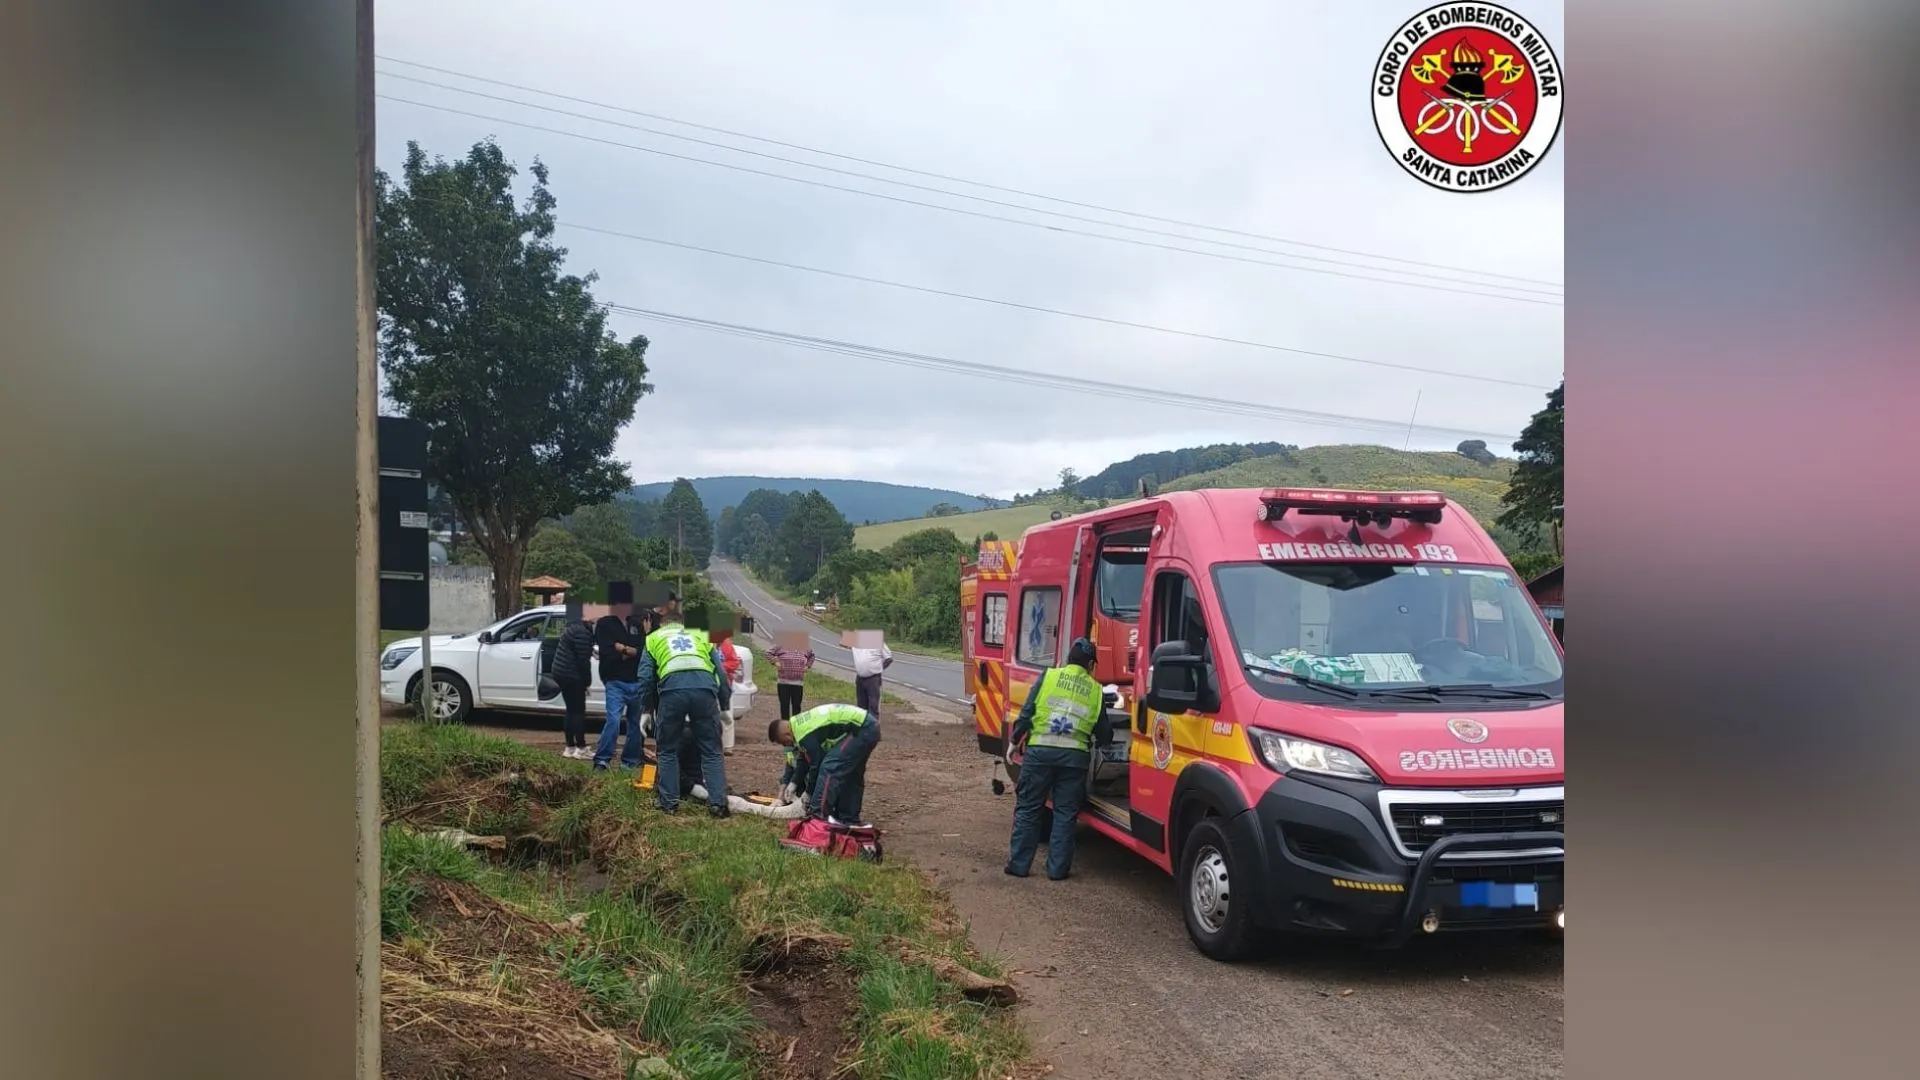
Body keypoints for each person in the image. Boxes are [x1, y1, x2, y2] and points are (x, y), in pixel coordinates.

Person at [1005, 637, 1111, 881]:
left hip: (1040, 753)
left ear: (1068, 659)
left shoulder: (1048, 676)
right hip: (1074, 759)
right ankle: (1057, 870)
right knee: (1065, 814)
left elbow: (1028, 711)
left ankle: (1019, 866)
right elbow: (1104, 734)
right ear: (1090, 665)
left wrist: (1014, 742)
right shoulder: (1096, 691)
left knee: (1029, 808)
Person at [636, 590, 732, 817]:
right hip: (704, 691)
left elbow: (646, 677)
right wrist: (725, 705)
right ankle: (718, 804)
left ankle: (669, 803)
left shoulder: (653, 638)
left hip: (673, 692)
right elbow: (720, 672)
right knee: (711, 750)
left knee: (667, 749)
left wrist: (646, 709)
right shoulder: (700, 637)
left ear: (663, 625)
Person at [769, 703, 880, 827]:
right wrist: (793, 783)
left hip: (861, 728)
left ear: (786, 735)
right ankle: (848, 819)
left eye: (784, 743)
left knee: (829, 767)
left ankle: (818, 817)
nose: (787, 746)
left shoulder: (802, 733)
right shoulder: (799, 723)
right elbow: (805, 759)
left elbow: (816, 763)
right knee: (851, 776)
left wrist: (809, 793)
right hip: (868, 725)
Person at [591, 583, 647, 771]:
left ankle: (629, 761)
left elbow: (641, 651)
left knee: (634, 724)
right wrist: (626, 650)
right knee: (613, 720)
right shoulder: (605, 624)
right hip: (615, 680)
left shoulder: (637, 624)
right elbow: (607, 652)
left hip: (636, 680)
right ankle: (602, 759)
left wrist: (621, 647)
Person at [549, 602, 596, 759]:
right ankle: (581, 748)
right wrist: (586, 683)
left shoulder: (573, 628)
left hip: (561, 672)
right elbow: (583, 661)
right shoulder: (581, 632)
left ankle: (569, 747)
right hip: (571, 674)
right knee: (578, 711)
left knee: (570, 710)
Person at [712, 626, 743, 756]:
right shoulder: (704, 643)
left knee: (727, 716)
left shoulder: (727, 644)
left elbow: (734, 663)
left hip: (725, 684)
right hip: (708, 685)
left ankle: (728, 747)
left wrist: (719, 666)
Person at [849, 634, 893, 717]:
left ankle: (874, 727)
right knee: (861, 707)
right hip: (860, 678)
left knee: (874, 706)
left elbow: (889, 658)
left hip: (873, 679)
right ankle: (862, 728)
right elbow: (842, 642)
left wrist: (878, 668)